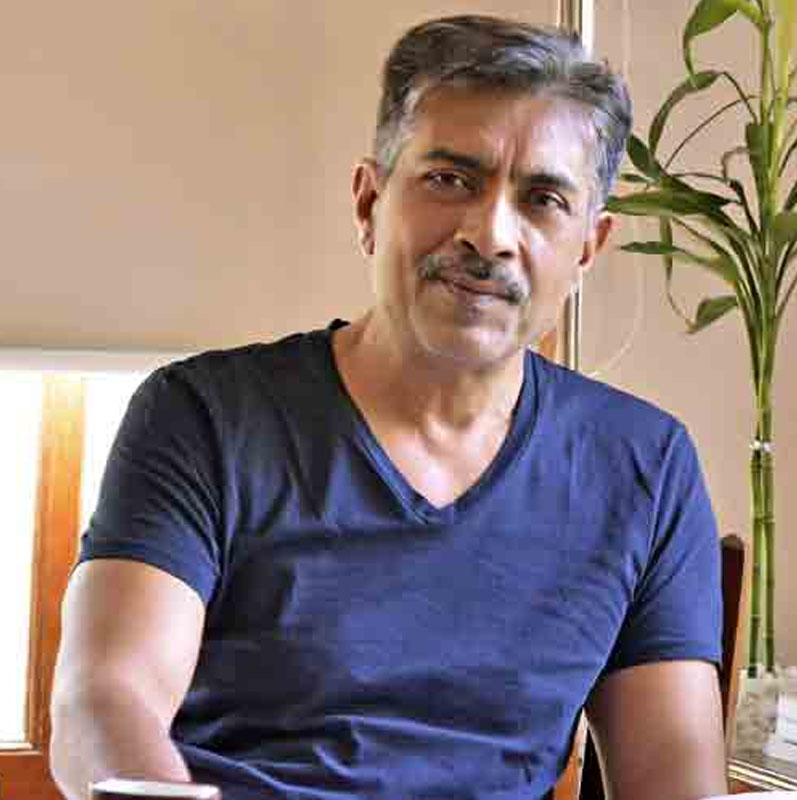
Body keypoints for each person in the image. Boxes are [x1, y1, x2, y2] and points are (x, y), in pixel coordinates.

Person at [50, 14, 728, 800]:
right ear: (369, 203)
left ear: (587, 248)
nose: (489, 235)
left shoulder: (645, 464)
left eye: (543, 199)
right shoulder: (202, 415)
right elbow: (107, 699)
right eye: (450, 181)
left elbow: (675, 779)